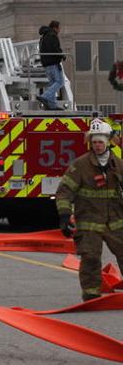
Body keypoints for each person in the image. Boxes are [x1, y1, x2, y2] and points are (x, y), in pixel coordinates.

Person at [56, 119, 123, 302]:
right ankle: (92, 296)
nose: (97, 146)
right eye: (94, 142)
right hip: (89, 222)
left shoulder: (117, 164)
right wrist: (64, 215)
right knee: (91, 258)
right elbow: (64, 191)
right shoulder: (80, 165)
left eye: (100, 142)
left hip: (115, 221)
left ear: (107, 142)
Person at [37, 20, 66, 111]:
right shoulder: (52, 35)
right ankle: (45, 96)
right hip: (53, 63)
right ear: (55, 28)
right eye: (59, 28)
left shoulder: (43, 37)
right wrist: (62, 55)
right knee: (60, 82)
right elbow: (54, 48)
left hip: (46, 64)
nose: (60, 30)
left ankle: (52, 105)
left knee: (52, 84)